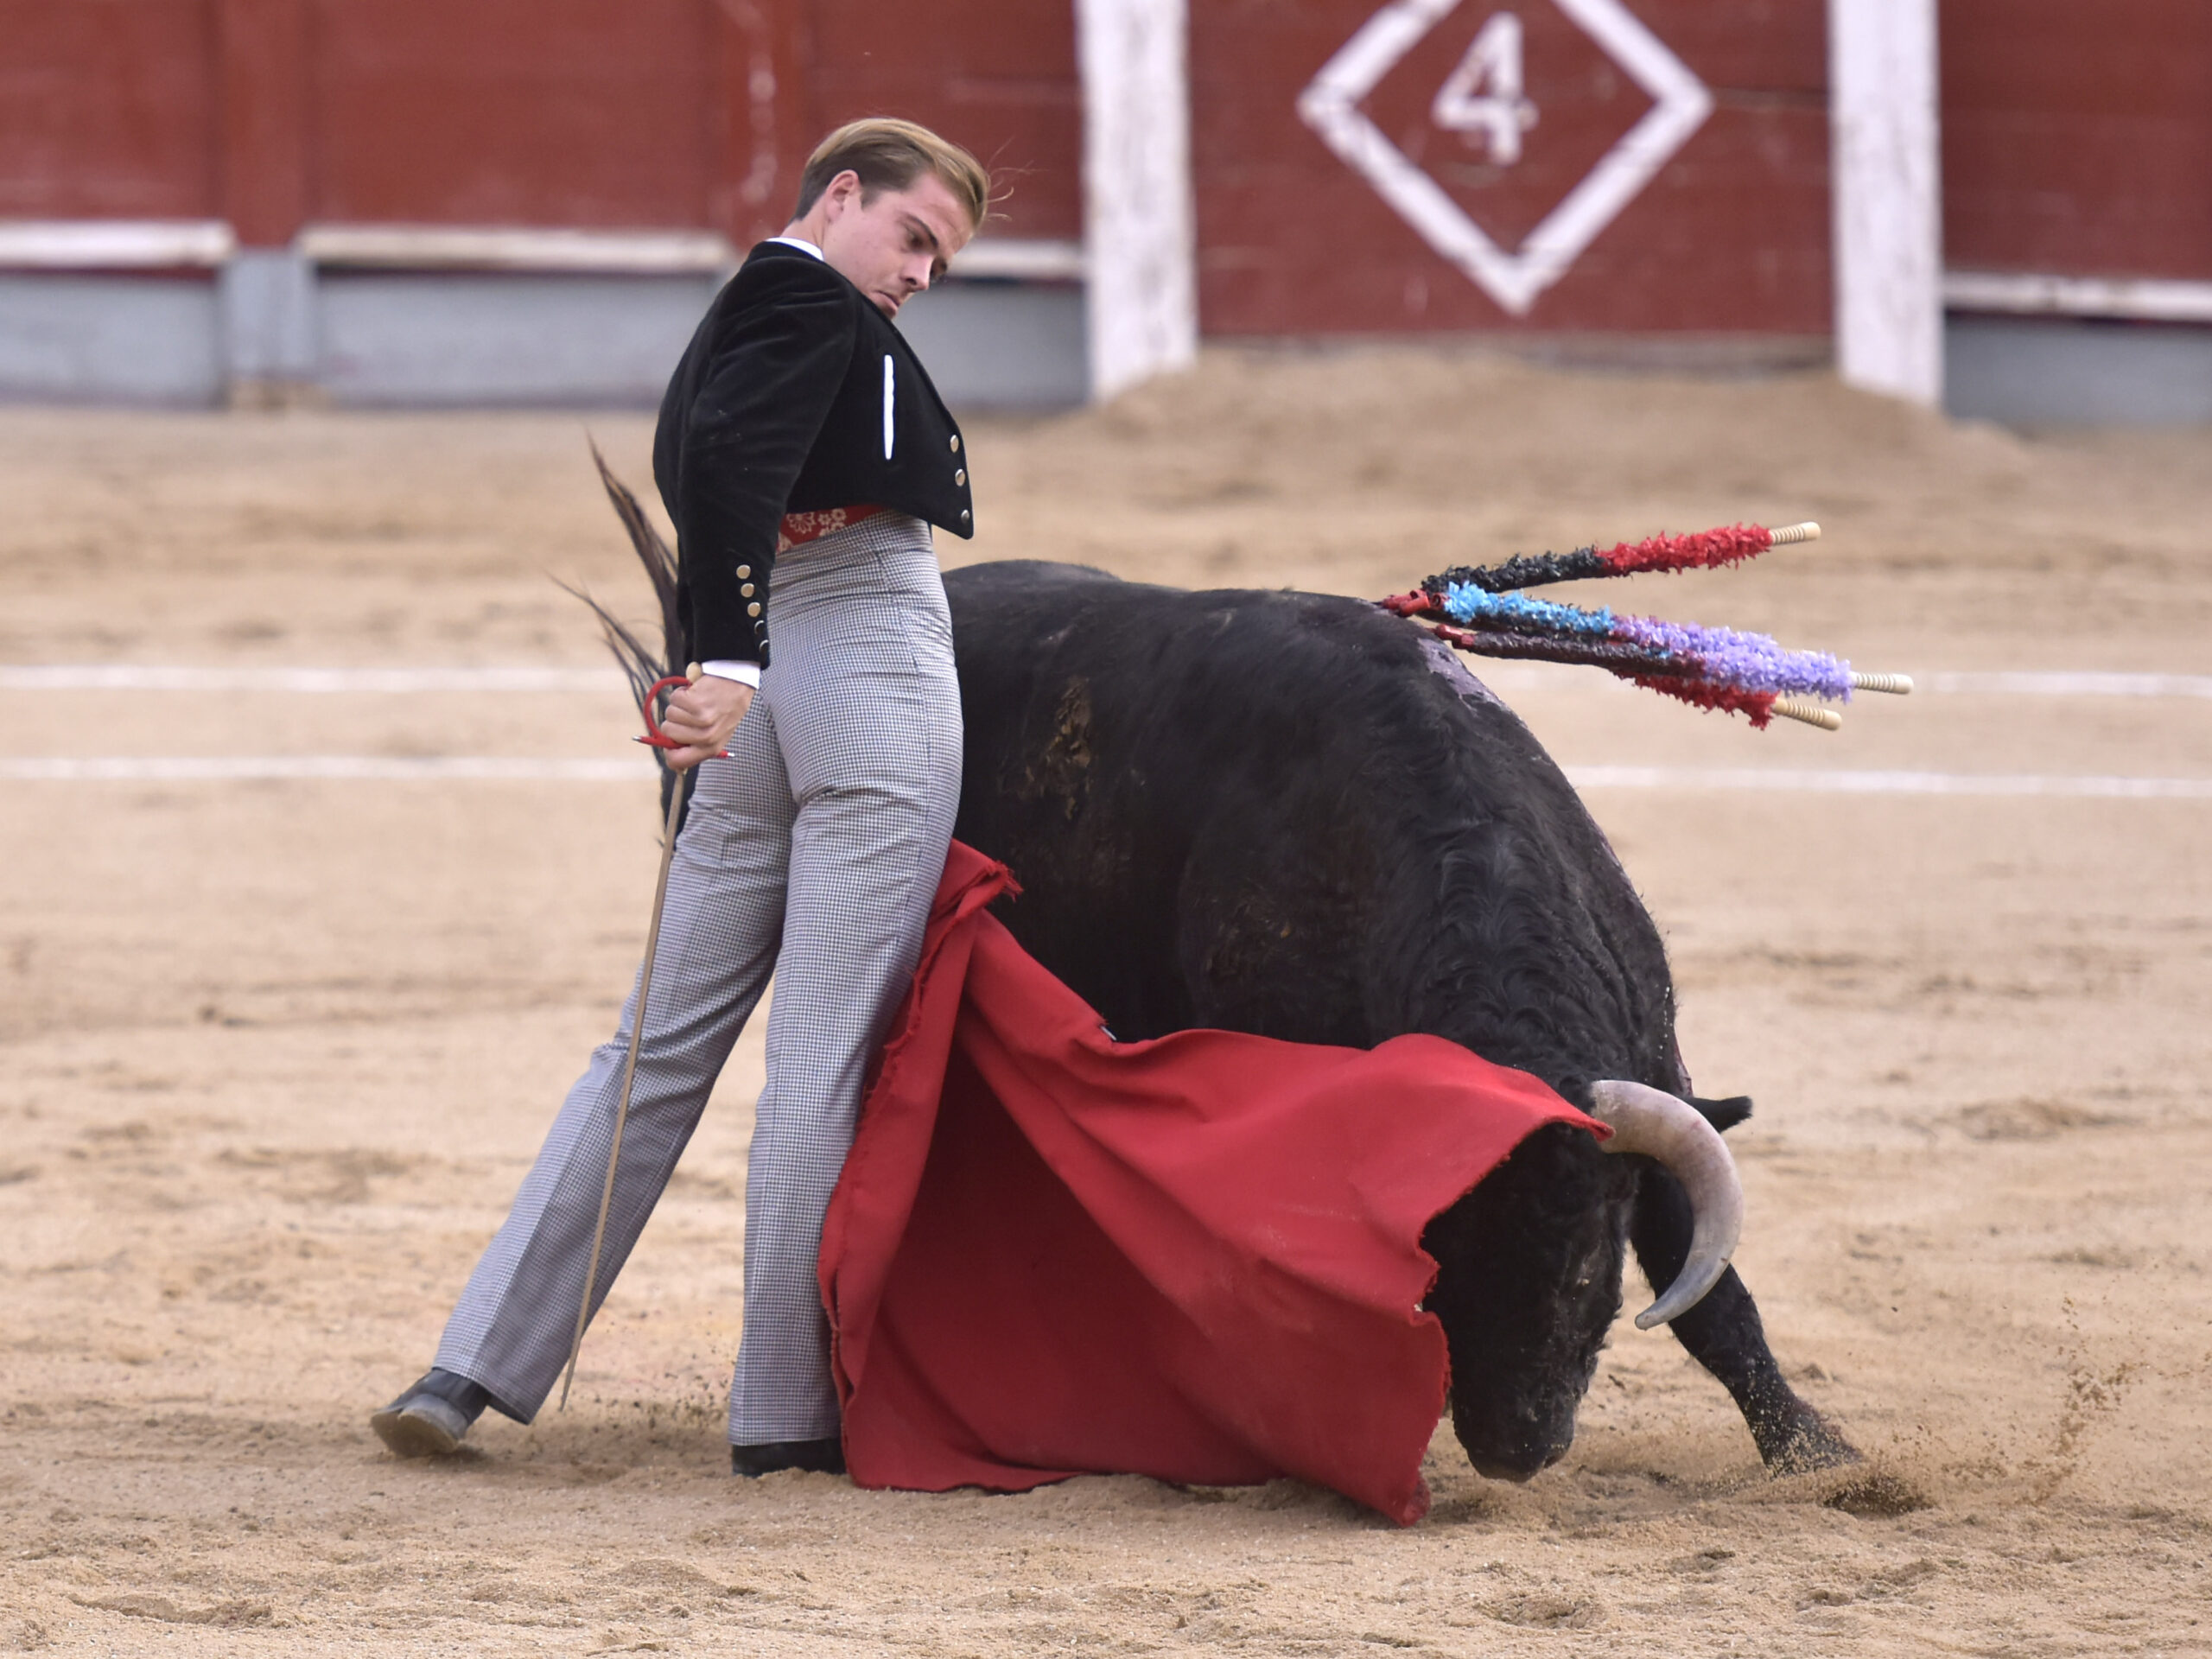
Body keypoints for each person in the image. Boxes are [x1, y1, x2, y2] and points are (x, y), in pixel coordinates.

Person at [371, 118, 986, 1477]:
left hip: (761, 703)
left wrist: (730, 660)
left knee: (648, 1049)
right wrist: (726, 662)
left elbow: (712, 482)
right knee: (819, 1059)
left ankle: (473, 1363)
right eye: (916, 237)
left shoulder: (735, 315)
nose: (925, 274)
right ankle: (784, 1419)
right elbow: (726, 471)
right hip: (865, 661)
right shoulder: (812, 303)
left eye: (943, 257)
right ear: (843, 196)